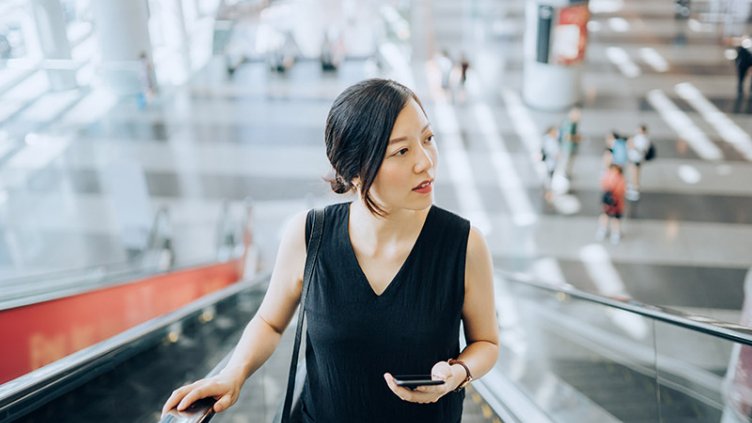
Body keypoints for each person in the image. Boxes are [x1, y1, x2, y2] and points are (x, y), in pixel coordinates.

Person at [161, 79, 500, 422]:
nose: (426, 162)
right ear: (354, 170)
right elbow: (270, 321)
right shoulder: (310, 236)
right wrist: (232, 374)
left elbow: (486, 342)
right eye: (401, 151)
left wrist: (459, 372)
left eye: (428, 139)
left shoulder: (464, 244)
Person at [596, 164, 627, 244]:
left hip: (610, 203)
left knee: (607, 216)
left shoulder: (608, 176)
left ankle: (605, 231)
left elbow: (603, 185)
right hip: (615, 203)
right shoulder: (620, 178)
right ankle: (614, 233)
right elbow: (622, 190)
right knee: (614, 219)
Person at [627, 124, 650, 201]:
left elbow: (641, 150)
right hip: (634, 158)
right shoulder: (639, 138)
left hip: (637, 159)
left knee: (635, 175)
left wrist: (633, 145)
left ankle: (635, 191)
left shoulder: (643, 139)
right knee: (633, 174)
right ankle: (632, 188)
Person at [559, 107, 582, 177]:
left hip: (570, 146)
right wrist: (577, 138)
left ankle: (567, 173)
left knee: (569, 161)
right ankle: (565, 174)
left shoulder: (573, 123)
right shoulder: (569, 124)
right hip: (568, 147)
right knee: (567, 161)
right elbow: (567, 136)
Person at [540, 126, 560, 202]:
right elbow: (550, 150)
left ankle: (548, 190)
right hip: (550, 162)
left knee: (550, 176)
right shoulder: (548, 140)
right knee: (549, 177)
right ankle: (548, 192)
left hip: (552, 162)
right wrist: (556, 155)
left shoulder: (552, 139)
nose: (556, 133)